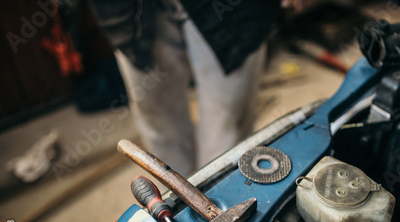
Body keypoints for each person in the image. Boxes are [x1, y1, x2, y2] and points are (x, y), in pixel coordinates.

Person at [90, 0, 283, 175]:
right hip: (128, 9)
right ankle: (178, 204)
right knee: (159, 128)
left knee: (226, 135)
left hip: (231, 13)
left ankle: (218, 203)